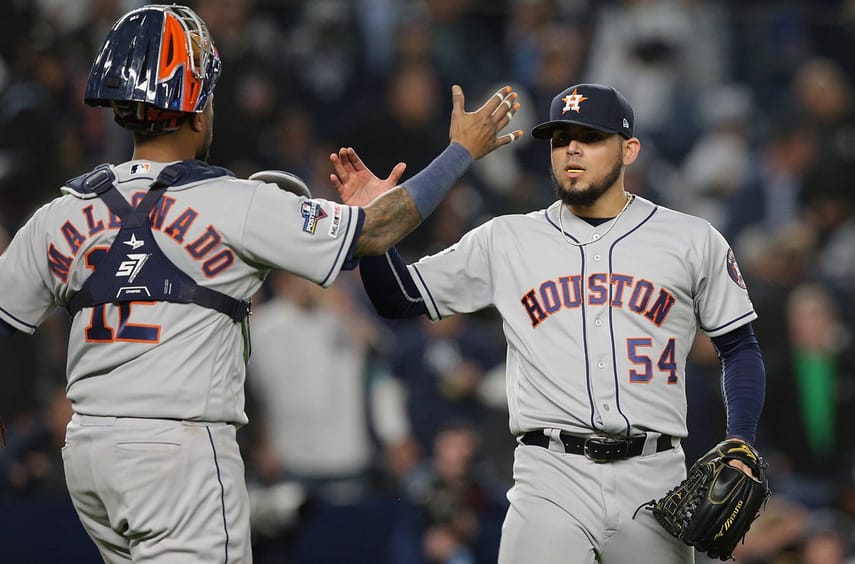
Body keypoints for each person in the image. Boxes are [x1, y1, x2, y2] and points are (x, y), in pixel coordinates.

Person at [0, 4, 522, 563]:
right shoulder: (236, 204)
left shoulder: (61, 213)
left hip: (89, 455)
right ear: (199, 112)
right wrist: (462, 151)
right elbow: (379, 230)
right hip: (178, 453)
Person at [330, 82, 767, 563]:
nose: (572, 149)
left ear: (629, 150)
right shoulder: (508, 238)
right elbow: (400, 297)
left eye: (590, 136)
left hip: (656, 478)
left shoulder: (691, 238)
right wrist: (371, 226)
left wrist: (740, 439)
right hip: (549, 475)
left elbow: (740, 348)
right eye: (560, 138)